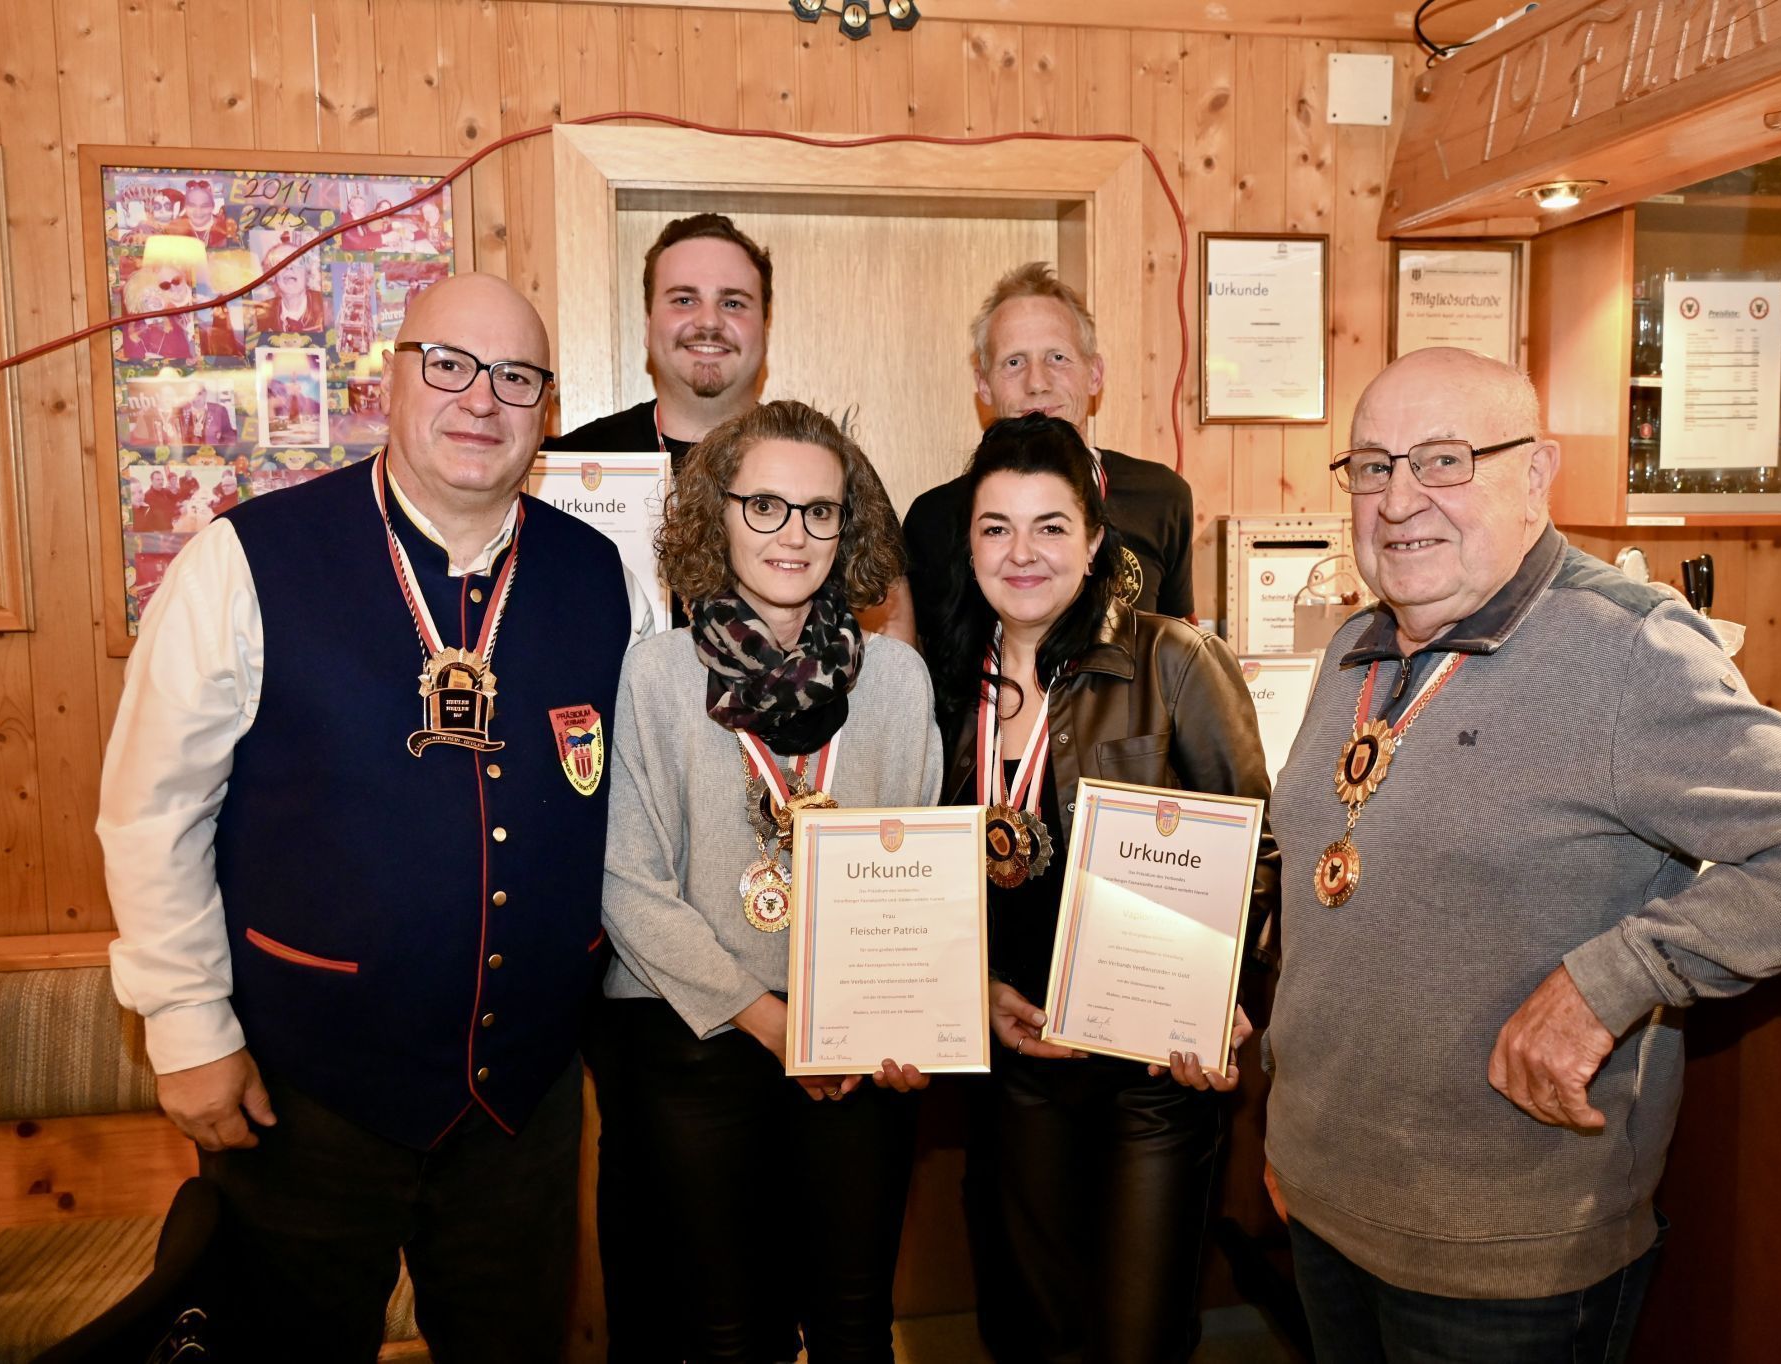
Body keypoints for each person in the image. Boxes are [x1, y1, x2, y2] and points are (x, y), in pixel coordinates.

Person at [1262, 347, 1781, 1363]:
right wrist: (1294, 1138)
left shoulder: (1624, 651)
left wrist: (1604, 976)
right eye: (1370, 464)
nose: (1397, 500)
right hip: (1325, 1213)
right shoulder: (1354, 640)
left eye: (1442, 461)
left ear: (1534, 472)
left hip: (1501, 1266)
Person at [96, 274, 653, 1362]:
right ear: (386, 379)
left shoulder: (599, 574)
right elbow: (150, 807)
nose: (480, 398)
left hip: (522, 1099)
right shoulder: (244, 559)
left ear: (546, 408)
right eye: (447, 363)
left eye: (516, 377)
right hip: (304, 1091)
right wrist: (187, 1026)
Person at [591, 398, 939, 1363]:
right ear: (716, 515)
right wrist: (777, 1024)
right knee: (722, 1331)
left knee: (855, 1321)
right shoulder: (656, 676)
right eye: (766, 507)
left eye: (820, 512)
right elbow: (628, 885)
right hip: (698, 1044)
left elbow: (920, 889)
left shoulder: (898, 682)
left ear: (850, 526)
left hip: (854, 1055)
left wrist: (900, 1018)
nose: (794, 534)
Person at [926, 413, 1278, 1364]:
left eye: (1050, 526)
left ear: (1093, 542)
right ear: (969, 543)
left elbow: (1257, 855)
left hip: (1149, 1074)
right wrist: (974, 993)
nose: (1022, 552)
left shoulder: (1173, 661)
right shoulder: (948, 681)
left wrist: (1229, 1004)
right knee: (1031, 1333)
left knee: (1134, 1337)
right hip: (1013, 1067)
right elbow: (933, 886)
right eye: (997, 527)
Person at [903, 263, 1196, 651]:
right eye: (1014, 362)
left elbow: (1179, 652)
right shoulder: (932, 518)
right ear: (982, 384)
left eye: (1058, 358)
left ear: (1094, 374)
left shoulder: (1162, 498)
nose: (1037, 383)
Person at [546, 212, 770, 463]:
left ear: (764, 330)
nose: (709, 321)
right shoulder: (571, 463)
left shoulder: (815, 464)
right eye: (684, 300)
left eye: (732, 303)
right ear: (648, 326)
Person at [252, 240, 327, 337]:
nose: (289, 267)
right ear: (272, 276)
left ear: (306, 272)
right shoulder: (260, 315)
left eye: (296, 261)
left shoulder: (327, 307)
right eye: (281, 263)